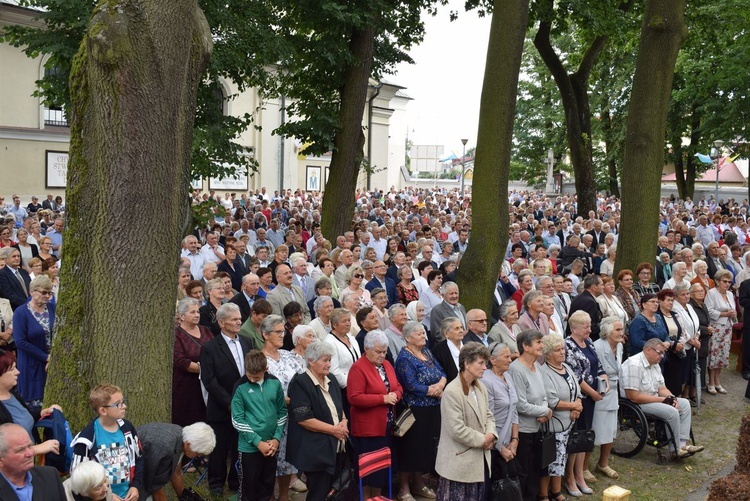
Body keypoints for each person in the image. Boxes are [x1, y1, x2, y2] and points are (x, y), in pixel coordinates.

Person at [199, 303, 253, 496]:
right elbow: (209, 380)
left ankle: (235, 480)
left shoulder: (247, 342)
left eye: (240, 318)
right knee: (219, 448)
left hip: (245, 404)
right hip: (222, 407)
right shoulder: (210, 347)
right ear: (222, 323)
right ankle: (215, 482)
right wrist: (230, 403)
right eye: (234, 319)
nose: (239, 322)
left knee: (239, 445)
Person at [620, 338, 704, 459]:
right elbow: (633, 396)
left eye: (663, 353)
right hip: (637, 403)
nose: (662, 356)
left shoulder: (655, 364)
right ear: (649, 350)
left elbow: (662, 388)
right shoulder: (634, 364)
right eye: (660, 352)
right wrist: (663, 401)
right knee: (672, 411)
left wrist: (671, 398)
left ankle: (682, 444)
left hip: (653, 399)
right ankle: (675, 449)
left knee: (684, 403)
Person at [286, 341, 348, 501]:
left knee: (337, 493)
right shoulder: (301, 383)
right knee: (318, 494)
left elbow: (339, 408)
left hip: (337, 446)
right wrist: (334, 430)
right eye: (325, 360)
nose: (329, 364)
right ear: (311, 361)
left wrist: (344, 422)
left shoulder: (331, 379)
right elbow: (304, 419)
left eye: (330, 360)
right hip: (316, 451)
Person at [434, 343, 496, 501]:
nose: (485, 368)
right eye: (481, 363)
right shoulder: (452, 392)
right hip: (458, 464)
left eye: (485, 363)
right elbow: (457, 429)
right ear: (467, 364)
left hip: (478, 461)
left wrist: (491, 434)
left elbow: (488, 415)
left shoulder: (480, 387)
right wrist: (484, 439)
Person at [347, 330, 403, 499]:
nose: (382, 355)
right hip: (368, 429)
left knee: (381, 471)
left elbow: (398, 386)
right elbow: (354, 398)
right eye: (378, 351)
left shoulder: (386, 365)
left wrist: (395, 396)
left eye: (384, 351)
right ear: (367, 349)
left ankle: (378, 498)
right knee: (368, 471)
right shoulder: (358, 368)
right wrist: (383, 399)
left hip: (386, 426)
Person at [394, 320, 445, 501]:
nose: (424, 336)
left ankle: (418, 483)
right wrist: (433, 391)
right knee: (411, 449)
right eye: (419, 334)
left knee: (424, 449)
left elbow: (441, 371)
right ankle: (404, 488)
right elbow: (411, 384)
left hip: (433, 408)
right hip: (415, 410)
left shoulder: (426, 351)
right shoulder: (404, 358)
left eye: (423, 333)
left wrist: (440, 384)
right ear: (408, 338)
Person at [258, 315, 307, 500]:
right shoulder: (259, 359)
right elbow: (258, 390)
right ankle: (269, 496)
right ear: (265, 334)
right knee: (271, 460)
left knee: (288, 459)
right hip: (271, 417)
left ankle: (284, 495)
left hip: (292, 417)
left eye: (283, 331)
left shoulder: (288, 355)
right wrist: (286, 400)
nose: (282, 335)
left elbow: (303, 379)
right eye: (277, 332)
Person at [231, 350, 288, 501]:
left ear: (265, 370)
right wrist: (257, 442)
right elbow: (237, 420)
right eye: (249, 375)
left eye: (256, 377)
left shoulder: (274, 383)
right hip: (249, 448)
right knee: (248, 488)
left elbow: (282, 412)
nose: (251, 379)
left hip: (271, 446)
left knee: (267, 485)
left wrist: (276, 439)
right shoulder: (240, 387)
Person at [71, 384, 143, 501]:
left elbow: (139, 457)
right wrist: (107, 496)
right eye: (118, 404)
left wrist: (135, 486)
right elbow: (78, 480)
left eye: (123, 401)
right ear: (103, 410)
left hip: (129, 495)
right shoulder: (86, 440)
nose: (124, 406)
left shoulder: (128, 428)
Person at [564, 310, 606, 495]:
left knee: (585, 436)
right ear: (574, 327)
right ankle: (570, 478)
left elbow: (599, 366)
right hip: (579, 398)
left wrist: (604, 382)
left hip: (593, 397)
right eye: (586, 326)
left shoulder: (588, 342)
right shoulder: (568, 346)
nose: (590, 329)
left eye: (590, 325)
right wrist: (593, 393)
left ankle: (580, 474)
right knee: (576, 438)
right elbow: (576, 376)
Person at [508, 329, 551, 501]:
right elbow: (520, 404)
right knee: (523, 472)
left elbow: (544, 395)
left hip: (538, 429)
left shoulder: (537, 366)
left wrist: (545, 411)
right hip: (524, 432)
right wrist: (545, 411)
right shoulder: (516, 369)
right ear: (525, 346)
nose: (542, 345)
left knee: (535, 470)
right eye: (538, 342)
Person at [539, 334, 582, 501]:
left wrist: (578, 406)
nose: (562, 352)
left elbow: (577, 391)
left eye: (563, 349)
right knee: (550, 460)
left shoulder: (567, 368)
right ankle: (543, 494)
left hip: (569, 422)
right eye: (557, 350)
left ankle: (556, 491)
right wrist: (573, 406)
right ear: (548, 354)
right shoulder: (545, 372)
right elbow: (552, 401)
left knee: (561, 458)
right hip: (554, 424)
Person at [0, 350, 63, 456]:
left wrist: (43, 412)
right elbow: (4, 452)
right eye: (12, 369)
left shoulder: (12, 394)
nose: (17, 372)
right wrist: (37, 449)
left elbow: (25, 415)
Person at [136, 422, 216, 501]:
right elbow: (153, 484)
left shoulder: (181, 437)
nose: (198, 456)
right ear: (188, 445)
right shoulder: (165, 447)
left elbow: (176, 472)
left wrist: (183, 496)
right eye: (198, 453)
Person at [481, 342, 519, 490]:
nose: (510, 360)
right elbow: (486, 419)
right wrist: (501, 448)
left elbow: (514, 410)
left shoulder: (508, 377)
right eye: (506, 356)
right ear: (492, 360)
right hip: (493, 447)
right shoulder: (486, 381)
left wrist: (515, 440)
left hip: (510, 444)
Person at [14, 274, 55, 410]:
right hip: (31, 365)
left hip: (52, 364)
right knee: (35, 407)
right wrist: (46, 357)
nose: (47, 296)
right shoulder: (21, 312)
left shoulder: (52, 308)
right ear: (32, 292)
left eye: (50, 292)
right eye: (44, 292)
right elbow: (20, 342)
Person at [591, 317, 625, 481]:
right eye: (617, 330)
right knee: (596, 429)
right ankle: (583, 468)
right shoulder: (597, 347)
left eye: (621, 329)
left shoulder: (619, 346)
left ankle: (603, 463)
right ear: (607, 331)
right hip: (600, 392)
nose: (621, 333)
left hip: (614, 392)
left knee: (611, 430)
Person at [173, 297, 213, 427]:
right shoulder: (177, 335)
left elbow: (216, 350)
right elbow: (181, 361)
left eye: (198, 312)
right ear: (181, 316)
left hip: (208, 386)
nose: (197, 315)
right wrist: (206, 368)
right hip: (187, 389)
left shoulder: (206, 331)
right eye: (192, 312)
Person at [0, 423, 66, 500]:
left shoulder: (50, 476)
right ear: (1, 459)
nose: (30, 453)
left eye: (30, 446)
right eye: (20, 450)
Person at [324, 308, 361, 417]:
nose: (348, 324)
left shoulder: (351, 338)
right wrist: (352, 385)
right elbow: (334, 371)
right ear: (335, 325)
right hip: (344, 390)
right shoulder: (329, 342)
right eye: (344, 321)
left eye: (349, 320)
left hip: (359, 386)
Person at [704, 269, 736, 395]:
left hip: (727, 327)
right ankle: (711, 382)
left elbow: (732, 308)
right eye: (724, 281)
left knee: (723, 354)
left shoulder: (730, 294)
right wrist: (725, 313)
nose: (727, 284)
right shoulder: (711, 293)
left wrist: (732, 314)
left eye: (729, 282)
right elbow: (709, 311)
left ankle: (718, 381)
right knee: (714, 354)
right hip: (716, 327)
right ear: (717, 281)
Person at [655, 288, 687, 396]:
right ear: (660, 301)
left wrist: (680, 344)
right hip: (664, 354)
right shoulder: (657, 316)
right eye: (668, 300)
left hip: (677, 354)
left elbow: (683, 332)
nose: (671, 303)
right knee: (666, 381)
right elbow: (659, 335)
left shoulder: (675, 314)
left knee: (677, 382)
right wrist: (673, 346)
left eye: (672, 300)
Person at [565, 274, 603, 340]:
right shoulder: (588, 302)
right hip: (584, 341)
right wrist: (604, 326)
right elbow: (591, 327)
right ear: (594, 287)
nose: (603, 287)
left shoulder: (581, 297)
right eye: (601, 285)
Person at [432, 317, 465, 383]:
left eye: (461, 327)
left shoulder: (468, 345)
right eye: (457, 328)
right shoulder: (439, 350)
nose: (461, 330)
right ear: (446, 334)